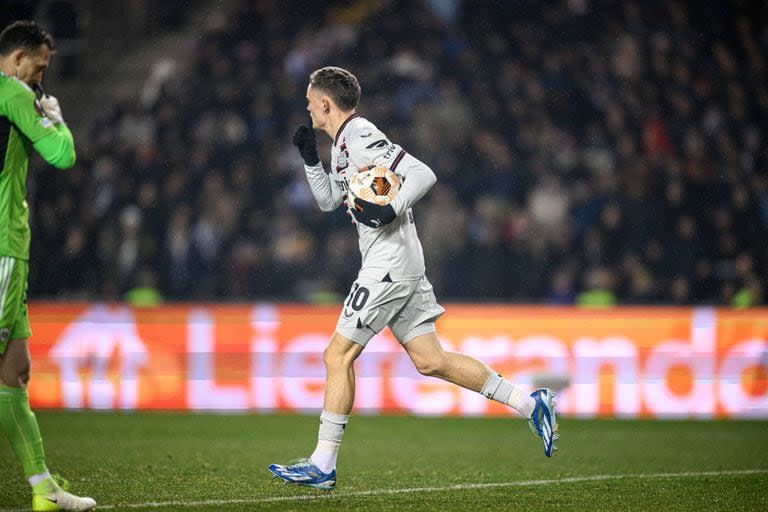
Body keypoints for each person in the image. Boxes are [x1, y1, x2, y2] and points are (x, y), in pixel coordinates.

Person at [268, 66, 559, 490]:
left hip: (388, 262)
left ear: (326, 103)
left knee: (337, 356)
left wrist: (391, 206)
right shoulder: (343, 145)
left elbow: (422, 173)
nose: (308, 107)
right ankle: (529, 403)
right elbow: (331, 201)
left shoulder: (361, 133)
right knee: (431, 361)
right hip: (401, 259)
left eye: (311, 101)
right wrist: (312, 159)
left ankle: (323, 463)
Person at [0, 20, 96, 511]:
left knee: (14, 371)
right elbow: (62, 155)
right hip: (1, 249)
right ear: (17, 59)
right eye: (39, 67)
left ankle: (43, 490)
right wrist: (54, 117)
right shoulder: (11, 91)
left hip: (11, 246)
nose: (42, 79)